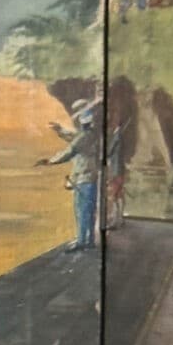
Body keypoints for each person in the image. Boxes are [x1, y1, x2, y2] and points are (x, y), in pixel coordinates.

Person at [36, 95, 99, 253]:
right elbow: (73, 137)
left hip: (84, 179)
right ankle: (89, 240)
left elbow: (70, 151)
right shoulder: (91, 134)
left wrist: (50, 161)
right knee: (88, 211)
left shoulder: (83, 137)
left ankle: (82, 241)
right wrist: (60, 130)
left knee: (82, 210)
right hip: (89, 178)